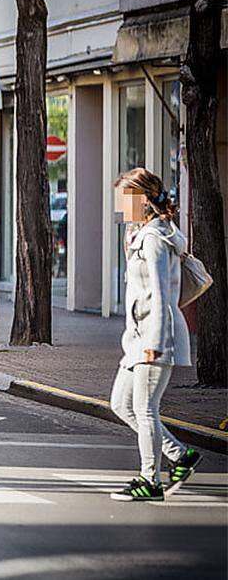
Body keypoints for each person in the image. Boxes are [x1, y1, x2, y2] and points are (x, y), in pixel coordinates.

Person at [108, 168, 201, 502]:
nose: (119, 204)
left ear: (142, 200)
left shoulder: (156, 239)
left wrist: (155, 344)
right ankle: (180, 455)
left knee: (145, 409)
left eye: (124, 197)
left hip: (154, 337)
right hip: (137, 339)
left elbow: (162, 295)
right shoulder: (139, 234)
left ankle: (151, 481)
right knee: (121, 403)